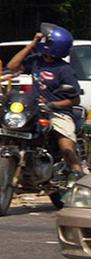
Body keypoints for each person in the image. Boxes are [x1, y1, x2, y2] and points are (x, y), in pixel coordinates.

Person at [6, 23, 84, 179]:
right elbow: (12, 66)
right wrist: (32, 44)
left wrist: (52, 105)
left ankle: (79, 177)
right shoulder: (37, 61)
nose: (42, 42)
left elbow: (75, 99)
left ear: (53, 46)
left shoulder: (65, 70)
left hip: (58, 113)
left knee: (66, 147)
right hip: (34, 110)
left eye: (46, 41)